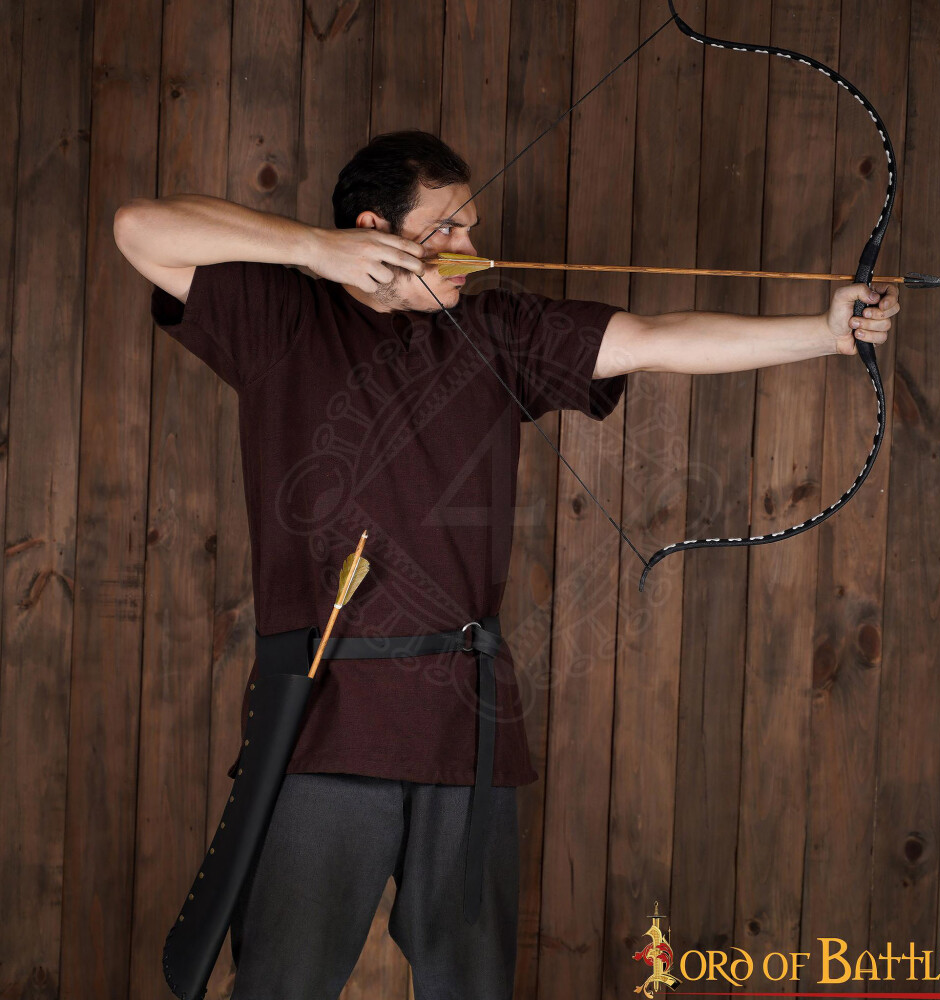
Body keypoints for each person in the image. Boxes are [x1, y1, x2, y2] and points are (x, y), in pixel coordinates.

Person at [113, 130, 899, 1000]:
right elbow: (139, 227)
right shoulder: (283, 318)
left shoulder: (497, 328)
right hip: (325, 726)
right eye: (446, 227)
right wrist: (314, 250)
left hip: (466, 724)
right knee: (284, 982)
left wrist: (824, 334)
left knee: (473, 986)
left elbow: (653, 339)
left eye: (472, 227)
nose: (469, 247)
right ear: (374, 229)